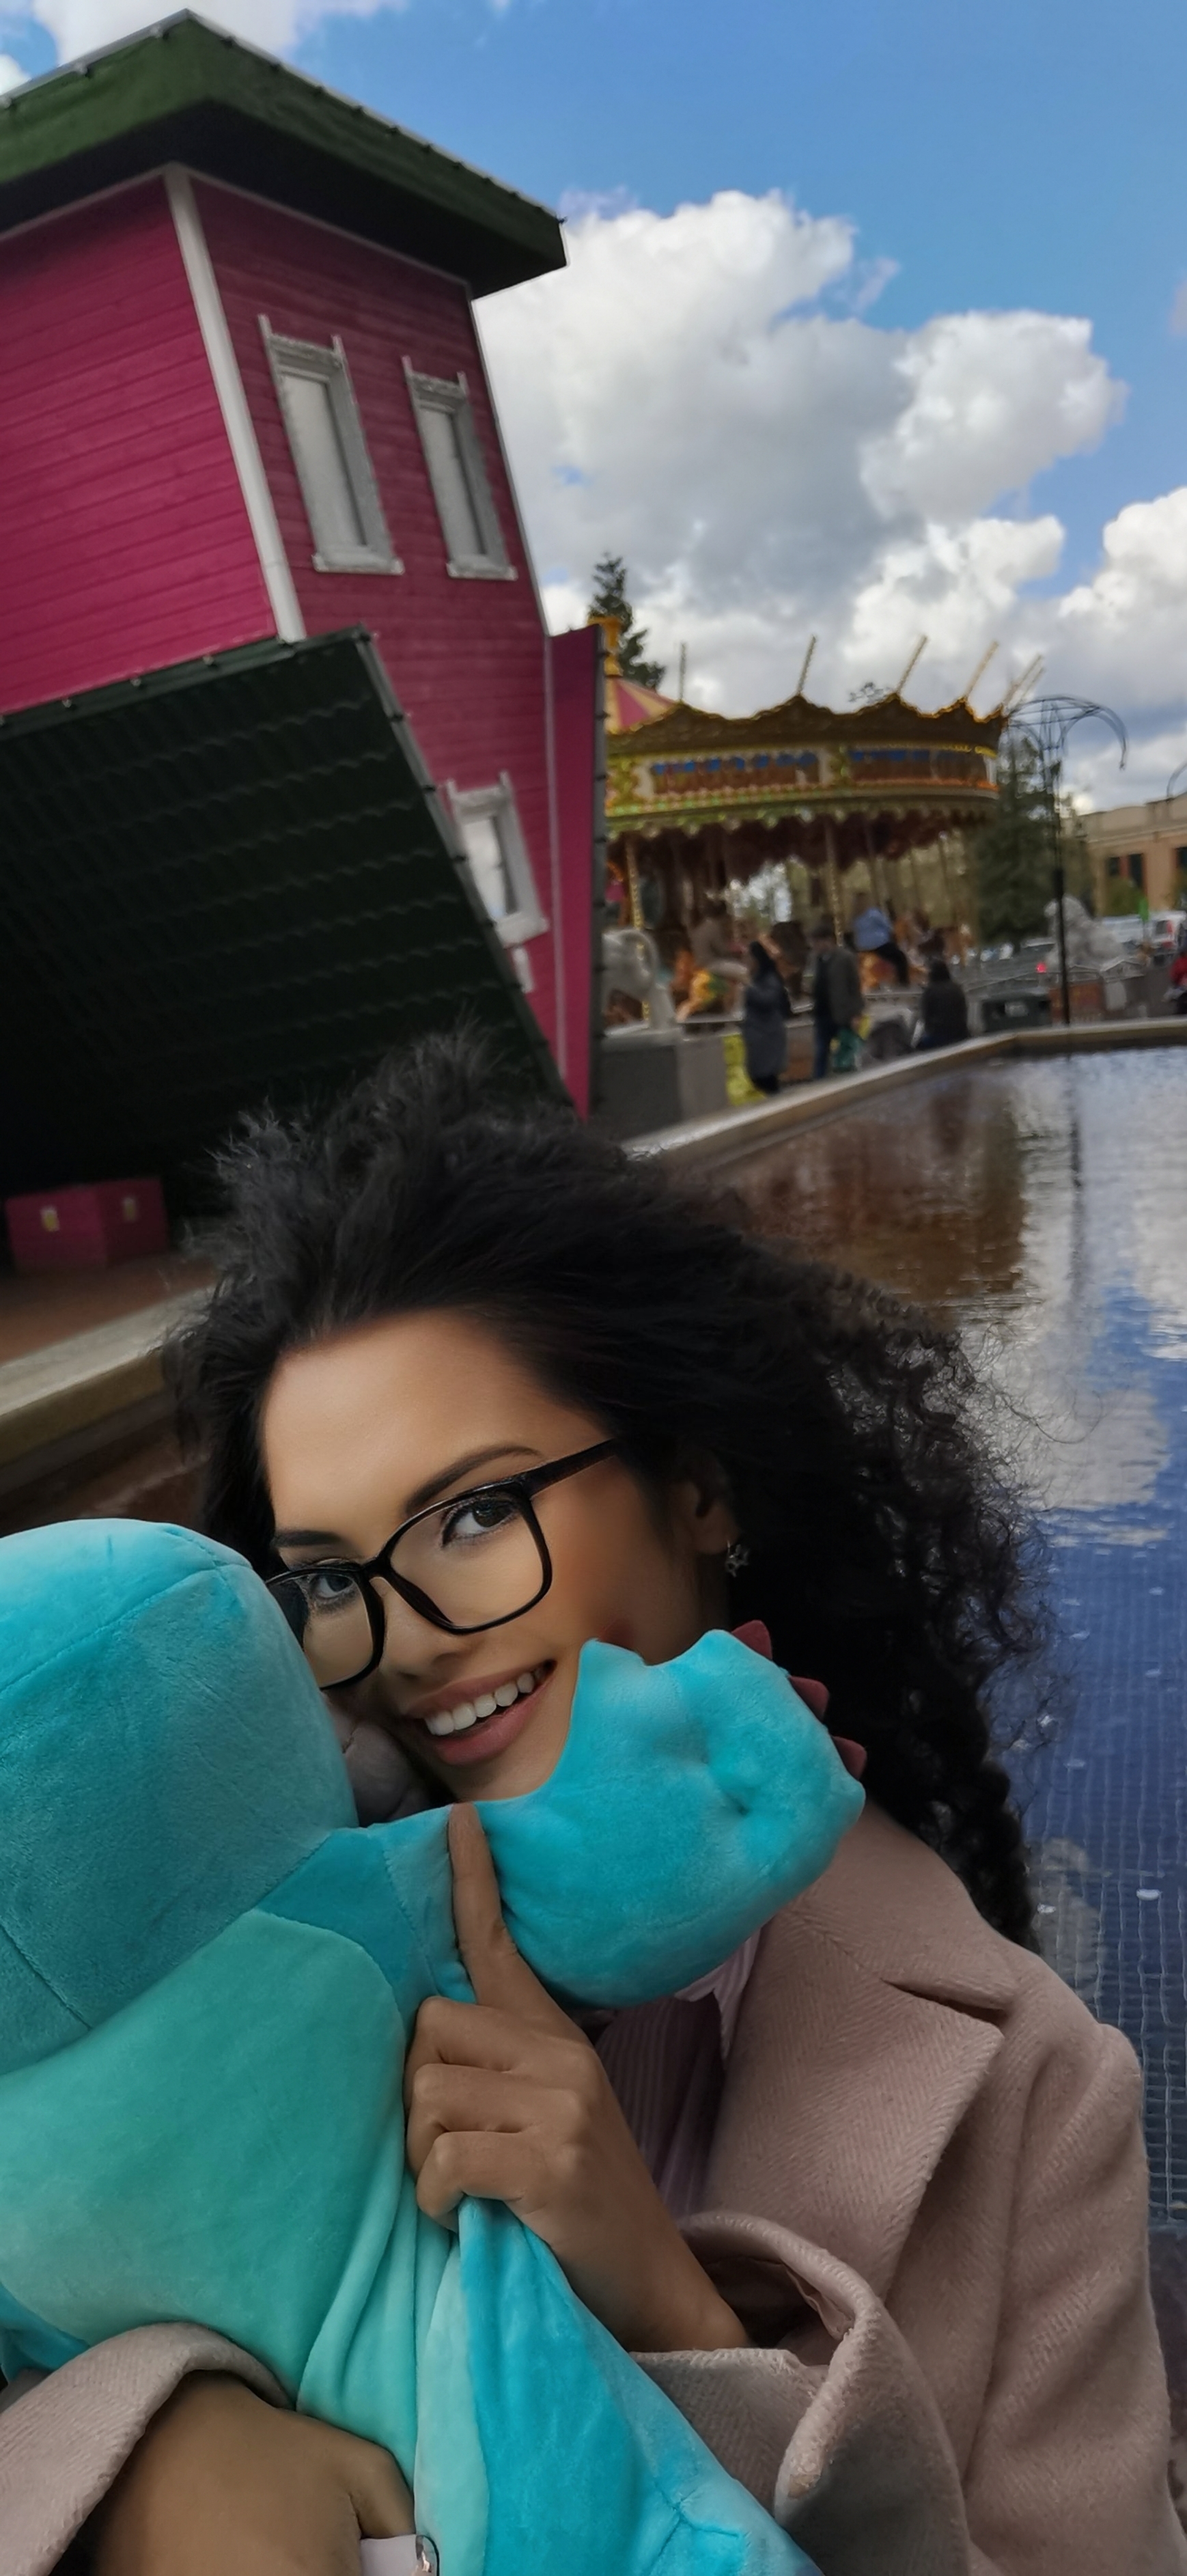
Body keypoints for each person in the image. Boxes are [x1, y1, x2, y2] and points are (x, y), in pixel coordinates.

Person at [10, 1034, 1185, 2576]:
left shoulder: (1032, 2096)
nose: (410, 1638)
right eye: (328, 1579)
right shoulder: (213, 1948)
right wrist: (148, 2444)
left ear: (696, 1486)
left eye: (474, 1513)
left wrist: (678, 2310)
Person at [809, 920, 861, 1080]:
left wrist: (856, 1013)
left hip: (842, 1013)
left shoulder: (845, 958)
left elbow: (855, 987)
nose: (815, 946)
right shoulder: (815, 960)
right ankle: (819, 1082)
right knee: (821, 1052)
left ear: (829, 940)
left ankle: (848, 1077)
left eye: (817, 942)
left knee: (846, 1049)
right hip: (822, 1013)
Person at [741, 940, 792, 1096]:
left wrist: (749, 988)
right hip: (758, 1034)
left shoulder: (769, 978)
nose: (746, 962)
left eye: (748, 958)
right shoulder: (757, 979)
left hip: (767, 1035)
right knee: (761, 1078)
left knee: (767, 1078)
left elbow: (768, 1000)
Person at [917, 957, 970, 1050]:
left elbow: (926, 1016)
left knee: (917, 1047)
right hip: (961, 1033)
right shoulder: (957, 988)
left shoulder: (930, 991)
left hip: (938, 1036)